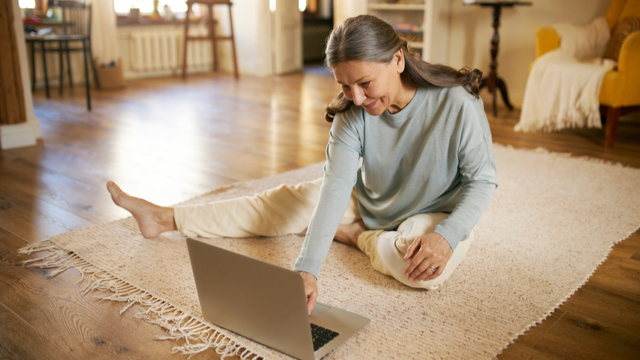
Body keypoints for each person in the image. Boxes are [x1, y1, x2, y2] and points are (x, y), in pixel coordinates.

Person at [107, 14, 497, 315]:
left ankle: (356, 236)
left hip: (434, 212)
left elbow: (482, 181)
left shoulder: (457, 103)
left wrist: (448, 235)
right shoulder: (352, 113)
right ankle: (165, 218)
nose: (357, 98)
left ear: (398, 60)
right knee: (278, 204)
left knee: (425, 272)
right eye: (344, 86)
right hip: (371, 198)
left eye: (364, 84)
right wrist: (307, 268)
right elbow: (336, 183)